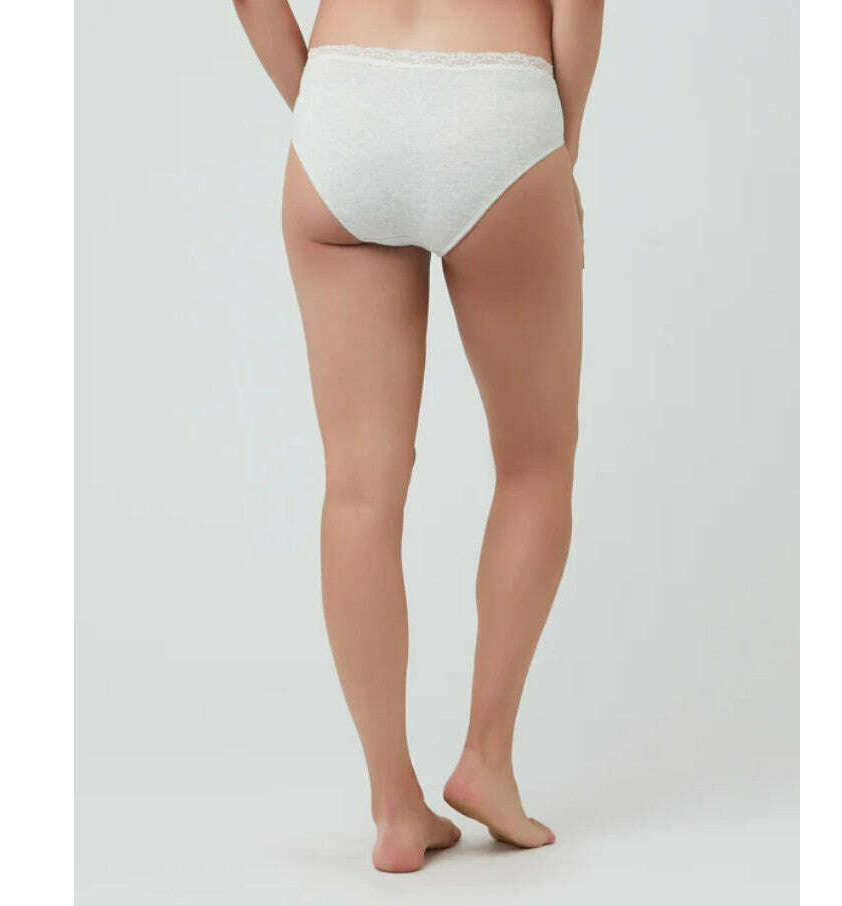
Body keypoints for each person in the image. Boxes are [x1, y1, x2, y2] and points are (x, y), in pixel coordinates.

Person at [233, 0, 604, 873]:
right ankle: (487, 761)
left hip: (344, 101)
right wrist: (561, 146)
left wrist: (322, 104)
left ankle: (395, 808)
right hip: (500, 102)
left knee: (359, 490)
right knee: (536, 465)